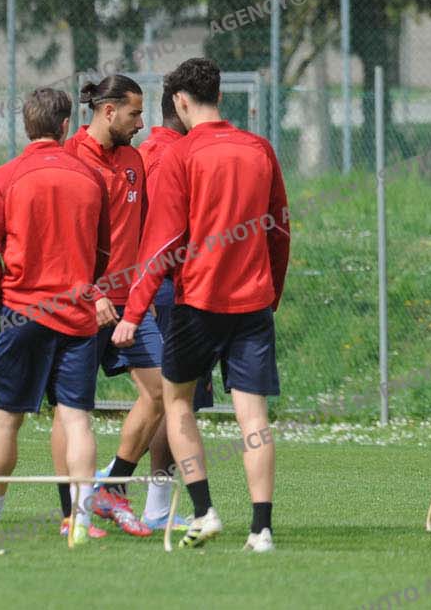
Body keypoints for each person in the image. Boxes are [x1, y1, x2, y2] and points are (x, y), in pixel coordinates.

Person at [116, 57, 289, 552]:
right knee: (253, 418)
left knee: (177, 403)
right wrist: (271, 292)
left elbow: (161, 245)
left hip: (197, 303)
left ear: (180, 102)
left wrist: (133, 313)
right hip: (252, 306)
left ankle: (203, 510)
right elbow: (279, 229)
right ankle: (261, 529)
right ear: (220, 96)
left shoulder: (180, 155)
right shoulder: (260, 149)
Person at [0, 88, 110, 547]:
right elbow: (103, 253)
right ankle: (81, 522)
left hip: (22, 312)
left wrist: (5, 304)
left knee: (5, 421)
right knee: (76, 420)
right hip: (76, 316)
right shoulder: (91, 177)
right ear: (66, 125)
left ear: (26, 125)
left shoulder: (2, 178)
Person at [58, 75, 155, 538]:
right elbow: (61, 241)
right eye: (135, 114)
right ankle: (70, 514)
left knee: (163, 392)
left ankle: (112, 486)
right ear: (109, 111)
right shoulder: (70, 158)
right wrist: (90, 291)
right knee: (71, 408)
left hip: (130, 301)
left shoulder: (135, 160)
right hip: (82, 300)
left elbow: (144, 229)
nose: (141, 123)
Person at [131, 80, 205, 530]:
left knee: (171, 400)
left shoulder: (150, 152)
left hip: (164, 287)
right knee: (176, 399)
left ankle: (118, 486)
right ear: (182, 105)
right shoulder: (168, 156)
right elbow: (161, 233)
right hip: (169, 289)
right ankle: (152, 503)